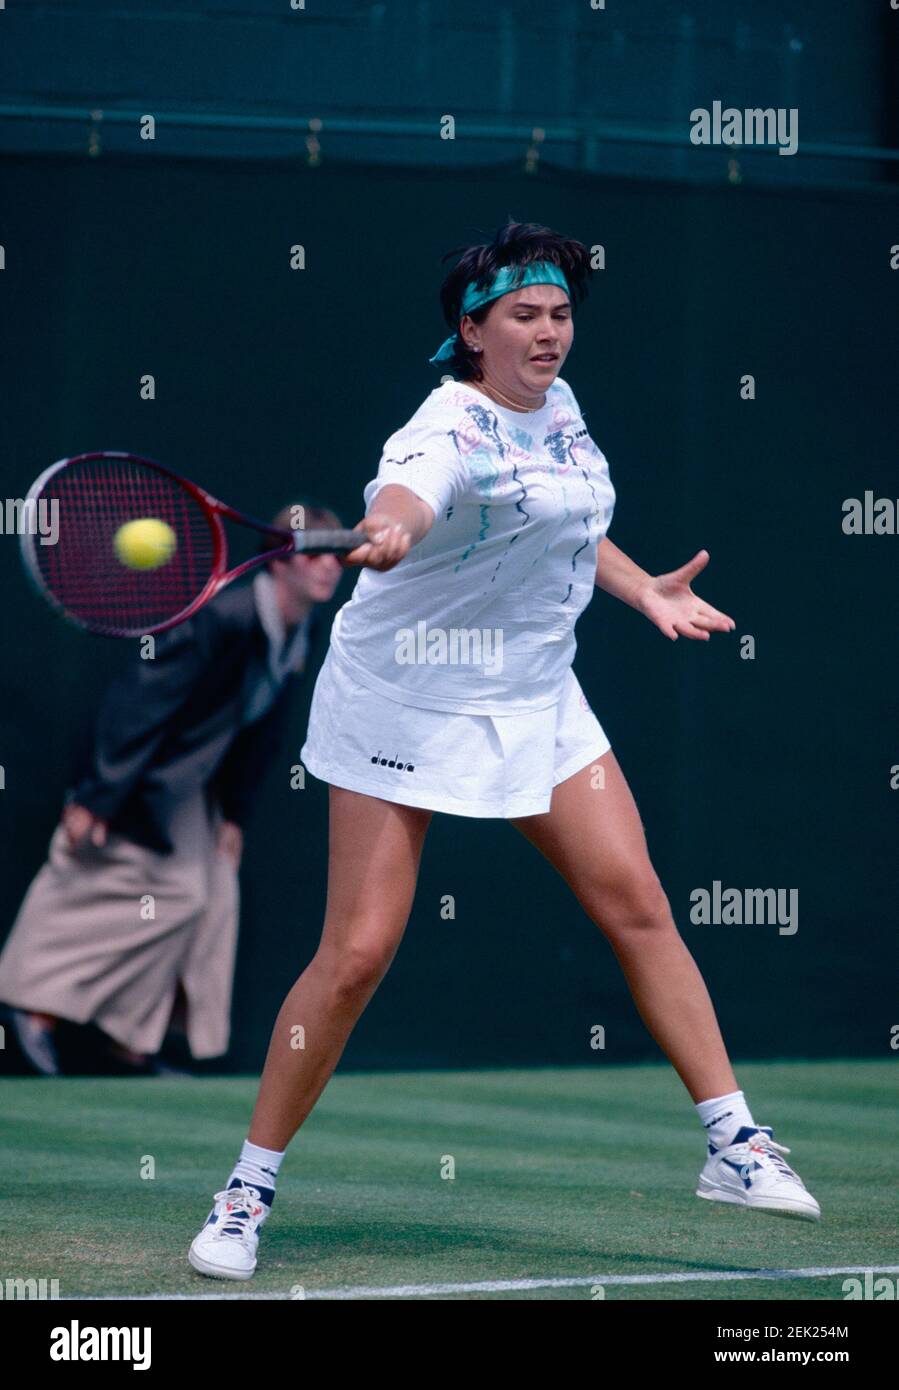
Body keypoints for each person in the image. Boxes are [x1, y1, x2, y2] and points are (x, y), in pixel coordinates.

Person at [188, 219, 820, 1281]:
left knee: (637, 900)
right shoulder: (439, 430)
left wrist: (639, 587)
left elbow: (564, 520)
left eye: (559, 313)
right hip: (405, 699)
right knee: (354, 958)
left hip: (532, 694)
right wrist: (389, 524)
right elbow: (406, 496)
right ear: (470, 332)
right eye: (522, 316)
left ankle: (732, 1140)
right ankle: (245, 1190)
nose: (547, 333)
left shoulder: (560, 412)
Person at [0, 502, 343, 1076]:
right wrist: (96, 796)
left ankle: (133, 1045)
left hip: (194, 790)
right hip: (146, 778)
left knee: (215, 897)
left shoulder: (297, 631)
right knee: (154, 887)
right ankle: (33, 1011)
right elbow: (140, 701)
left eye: (337, 555)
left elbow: (258, 735)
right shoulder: (225, 616)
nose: (329, 568)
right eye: (315, 554)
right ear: (280, 562)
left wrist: (233, 816)